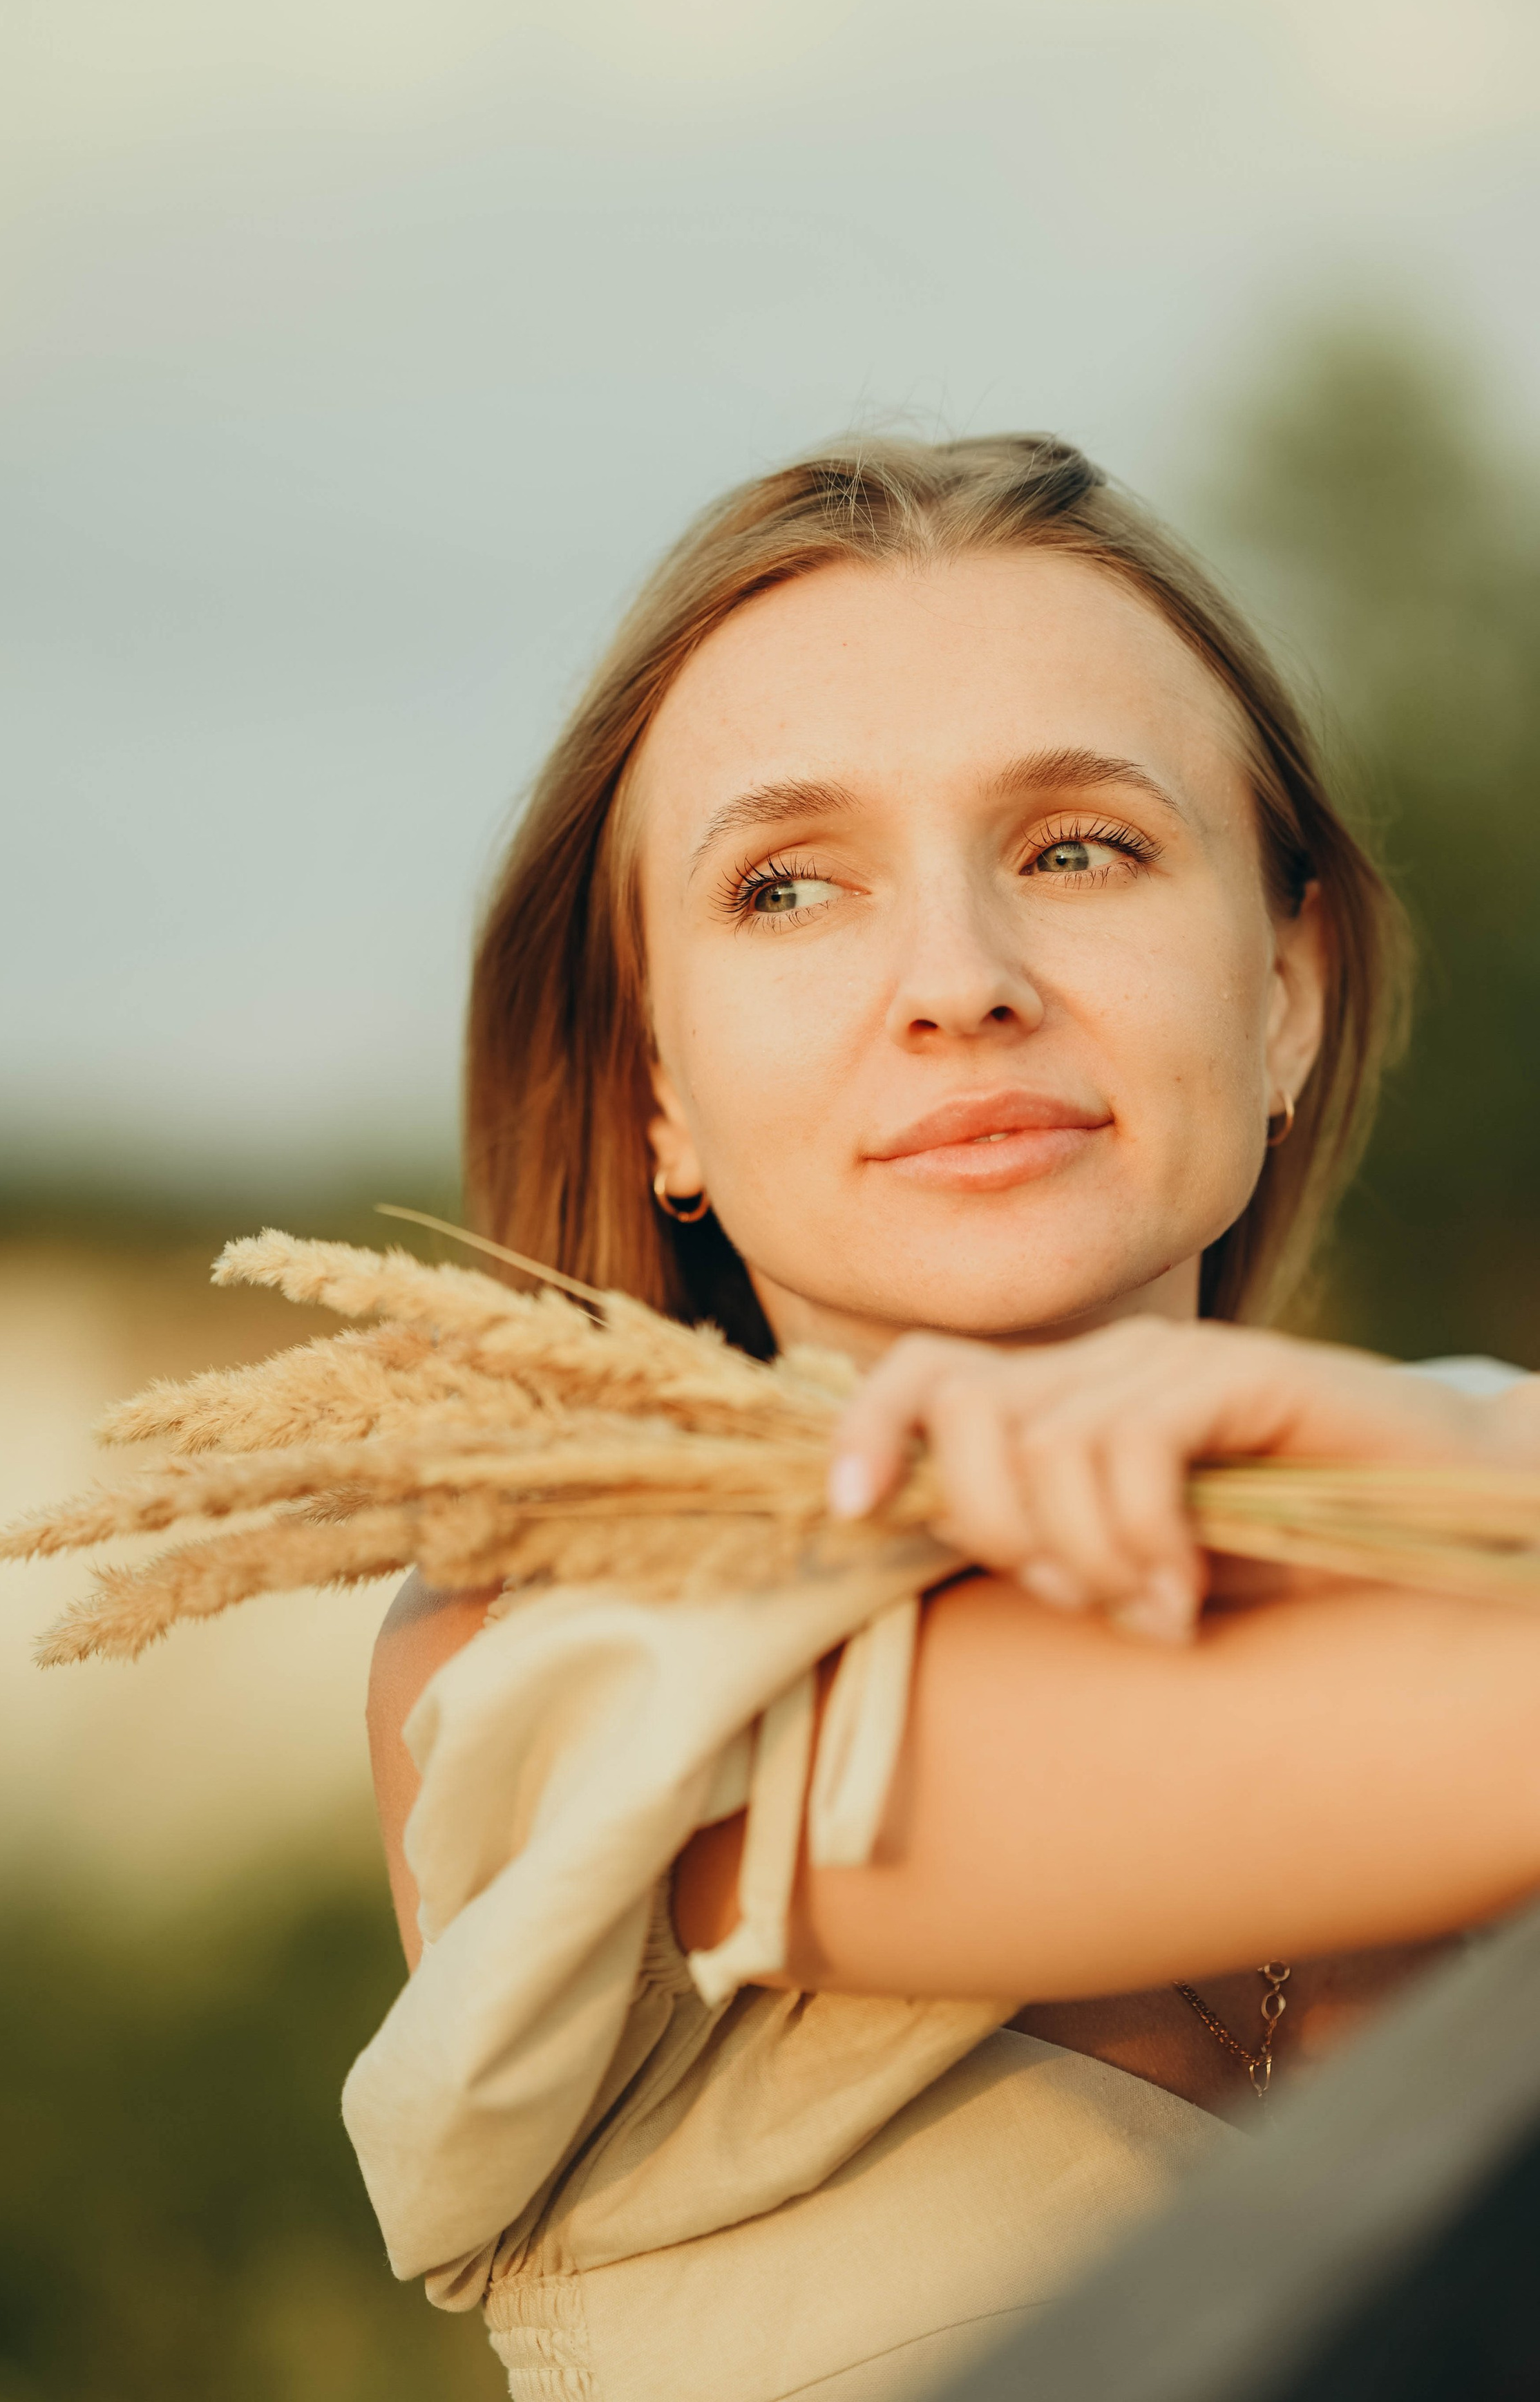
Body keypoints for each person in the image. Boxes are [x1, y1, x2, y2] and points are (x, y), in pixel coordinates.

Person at [356, 435, 1540, 2402]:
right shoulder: (556, 1659)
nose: (960, 983)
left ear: (1289, 987)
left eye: (1080, 846)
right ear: (657, 1085)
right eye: (791, 884)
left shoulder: (1470, 1445)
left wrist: (1456, 1463)